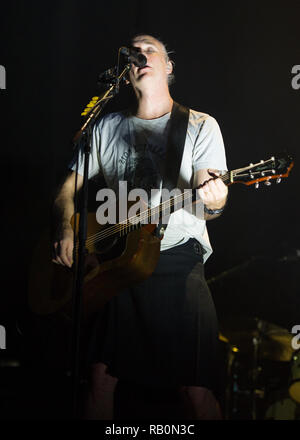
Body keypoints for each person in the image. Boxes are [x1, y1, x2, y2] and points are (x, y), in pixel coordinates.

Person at [52, 33, 228, 420]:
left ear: (168, 67)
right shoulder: (104, 127)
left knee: (195, 388)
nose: (141, 55)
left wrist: (214, 200)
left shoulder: (198, 125)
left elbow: (211, 202)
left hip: (177, 259)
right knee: (100, 377)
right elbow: (65, 192)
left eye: (151, 49)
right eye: (134, 53)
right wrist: (67, 230)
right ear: (127, 73)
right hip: (117, 262)